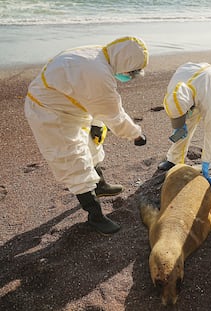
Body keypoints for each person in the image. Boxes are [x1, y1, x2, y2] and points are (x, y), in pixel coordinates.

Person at [24, 36, 149, 235]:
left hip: (72, 105)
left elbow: (93, 99)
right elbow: (114, 115)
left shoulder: (100, 55)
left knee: (92, 144)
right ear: (125, 62)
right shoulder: (98, 74)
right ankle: (95, 215)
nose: (130, 76)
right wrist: (136, 135)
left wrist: (96, 123)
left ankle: (99, 185)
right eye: (132, 72)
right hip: (50, 113)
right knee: (73, 159)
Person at [157, 62, 211, 187]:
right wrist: (180, 124)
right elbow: (177, 108)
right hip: (199, 84)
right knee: (186, 125)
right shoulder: (174, 89)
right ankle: (174, 160)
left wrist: (205, 161)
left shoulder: (209, 97)